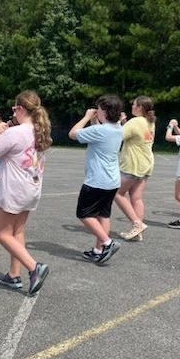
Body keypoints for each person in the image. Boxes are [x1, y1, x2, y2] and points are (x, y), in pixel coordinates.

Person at [0, 90, 52, 296]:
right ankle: (14, 274)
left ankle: (34, 267)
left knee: (2, 233)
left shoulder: (15, 132)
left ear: (20, 109)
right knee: (17, 232)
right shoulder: (41, 132)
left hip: (14, 190)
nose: (13, 113)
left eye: (14, 109)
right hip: (31, 189)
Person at [68, 95, 124, 264]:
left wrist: (86, 117)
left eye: (98, 109)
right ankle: (98, 250)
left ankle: (107, 243)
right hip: (112, 180)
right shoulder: (118, 128)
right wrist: (95, 120)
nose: (96, 111)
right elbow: (96, 133)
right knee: (103, 215)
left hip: (97, 181)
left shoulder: (101, 131)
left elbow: (73, 134)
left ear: (105, 111)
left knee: (83, 213)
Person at [115, 95, 155, 241]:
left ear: (139, 107)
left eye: (133, 104)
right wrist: (125, 123)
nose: (131, 106)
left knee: (117, 193)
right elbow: (134, 133)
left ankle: (137, 224)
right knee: (136, 197)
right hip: (146, 164)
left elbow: (117, 136)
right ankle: (137, 232)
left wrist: (118, 122)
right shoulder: (149, 122)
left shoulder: (134, 122)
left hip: (133, 164)